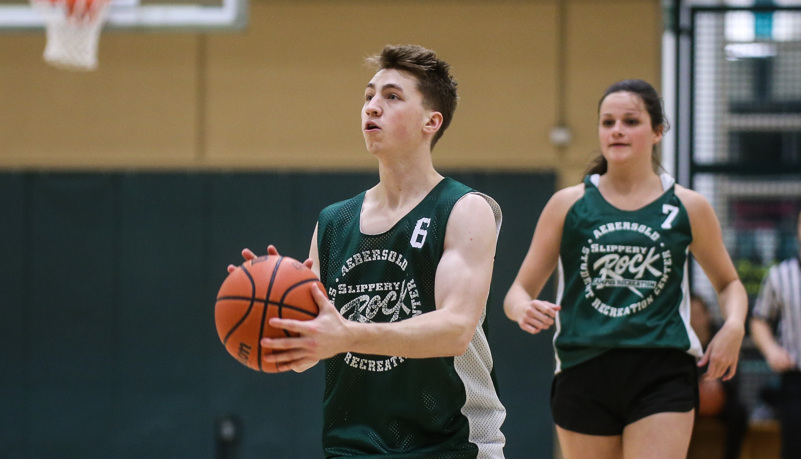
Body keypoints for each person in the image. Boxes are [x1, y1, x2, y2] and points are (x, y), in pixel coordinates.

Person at [229, 44, 506, 458]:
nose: (372, 107)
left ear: (432, 121)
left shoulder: (464, 209)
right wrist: (271, 314)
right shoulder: (334, 222)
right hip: (352, 449)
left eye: (392, 97)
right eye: (369, 96)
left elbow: (455, 330)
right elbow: (309, 354)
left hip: (452, 447)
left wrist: (349, 334)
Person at [503, 79, 748, 459]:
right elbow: (517, 292)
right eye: (608, 122)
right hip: (583, 366)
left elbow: (729, 282)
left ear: (657, 131)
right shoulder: (568, 205)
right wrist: (522, 308)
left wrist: (734, 326)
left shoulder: (688, 206)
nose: (617, 130)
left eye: (630, 121)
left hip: (662, 368)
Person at [750, 209, 801, 459]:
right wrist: (771, 350)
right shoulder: (780, 275)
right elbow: (760, 319)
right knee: (793, 448)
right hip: (795, 379)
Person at [689, 293, 748, 459]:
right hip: (690, 399)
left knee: (739, 412)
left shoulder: (722, 337)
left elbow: (733, 373)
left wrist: (719, 384)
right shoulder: (681, 342)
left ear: (707, 315)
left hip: (719, 398)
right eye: (691, 315)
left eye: (698, 315)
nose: (694, 320)